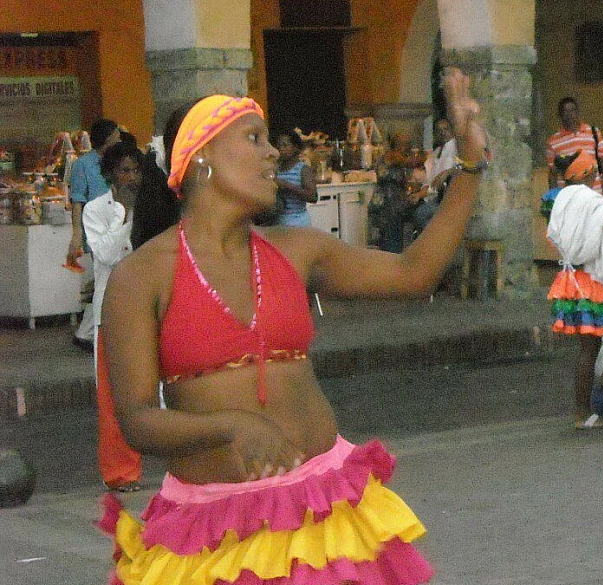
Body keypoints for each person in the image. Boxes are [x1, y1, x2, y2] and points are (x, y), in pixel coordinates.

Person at [96, 67, 486, 585]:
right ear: (203, 157)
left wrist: (472, 164)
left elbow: (415, 273)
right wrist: (232, 425)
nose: (272, 153)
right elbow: (138, 420)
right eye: (253, 139)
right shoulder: (140, 276)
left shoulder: (295, 251)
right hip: (214, 531)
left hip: (322, 511)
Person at [543, 150, 603, 429]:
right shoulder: (588, 199)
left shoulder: (563, 198)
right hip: (589, 280)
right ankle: (589, 403)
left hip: (571, 278)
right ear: (587, 174)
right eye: (594, 172)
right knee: (601, 339)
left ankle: (591, 400)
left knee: (593, 343)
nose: (596, 176)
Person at [84, 140, 144, 493]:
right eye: (124, 170)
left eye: (136, 170)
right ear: (110, 175)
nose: (131, 177)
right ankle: (121, 471)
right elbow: (106, 254)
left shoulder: (154, 206)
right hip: (113, 311)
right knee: (113, 396)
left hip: (152, 305)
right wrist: (123, 214)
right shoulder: (95, 210)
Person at [68, 118, 121, 351]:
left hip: (115, 223)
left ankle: (89, 330)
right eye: (116, 137)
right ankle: (87, 331)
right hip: (96, 227)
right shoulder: (83, 165)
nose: (118, 141)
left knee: (106, 278)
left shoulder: (117, 161)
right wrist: (77, 235)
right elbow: (78, 200)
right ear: (107, 140)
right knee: (104, 277)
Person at [545, 97, 603, 198]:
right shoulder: (553, 141)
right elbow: (553, 174)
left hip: (594, 193)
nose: (569, 115)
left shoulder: (593, 133)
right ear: (559, 115)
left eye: (572, 110)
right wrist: (553, 199)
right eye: (565, 111)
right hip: (568, 196)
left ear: (578, 112)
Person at [376, 130, 424, 252]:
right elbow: (411, 162)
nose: (409, 147)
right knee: (392, 239)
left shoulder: (396, 157)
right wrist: (429, 156)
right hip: (388, 202)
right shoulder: (392, 155)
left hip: (396, 202)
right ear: (397, 144)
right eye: (406, 144)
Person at [414, 118, 458, 233]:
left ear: (452, 130)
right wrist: (419, 193)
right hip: (432, 197)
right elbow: (429, 181)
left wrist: (447, 172)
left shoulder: (456, 148)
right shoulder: (436, 152)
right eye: (439, 130)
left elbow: (463, 167)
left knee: (421, 213)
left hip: (447, 199)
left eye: (446, 129)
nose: (442, 133)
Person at [272, 128, 318, 227]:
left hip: (298, 220)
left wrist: (286, 185)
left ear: (296, 148)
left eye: (285, 145)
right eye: (278, 145)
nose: (280, 149)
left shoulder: (303, 169)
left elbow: (313, 197)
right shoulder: (276, 168)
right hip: (279, 220)